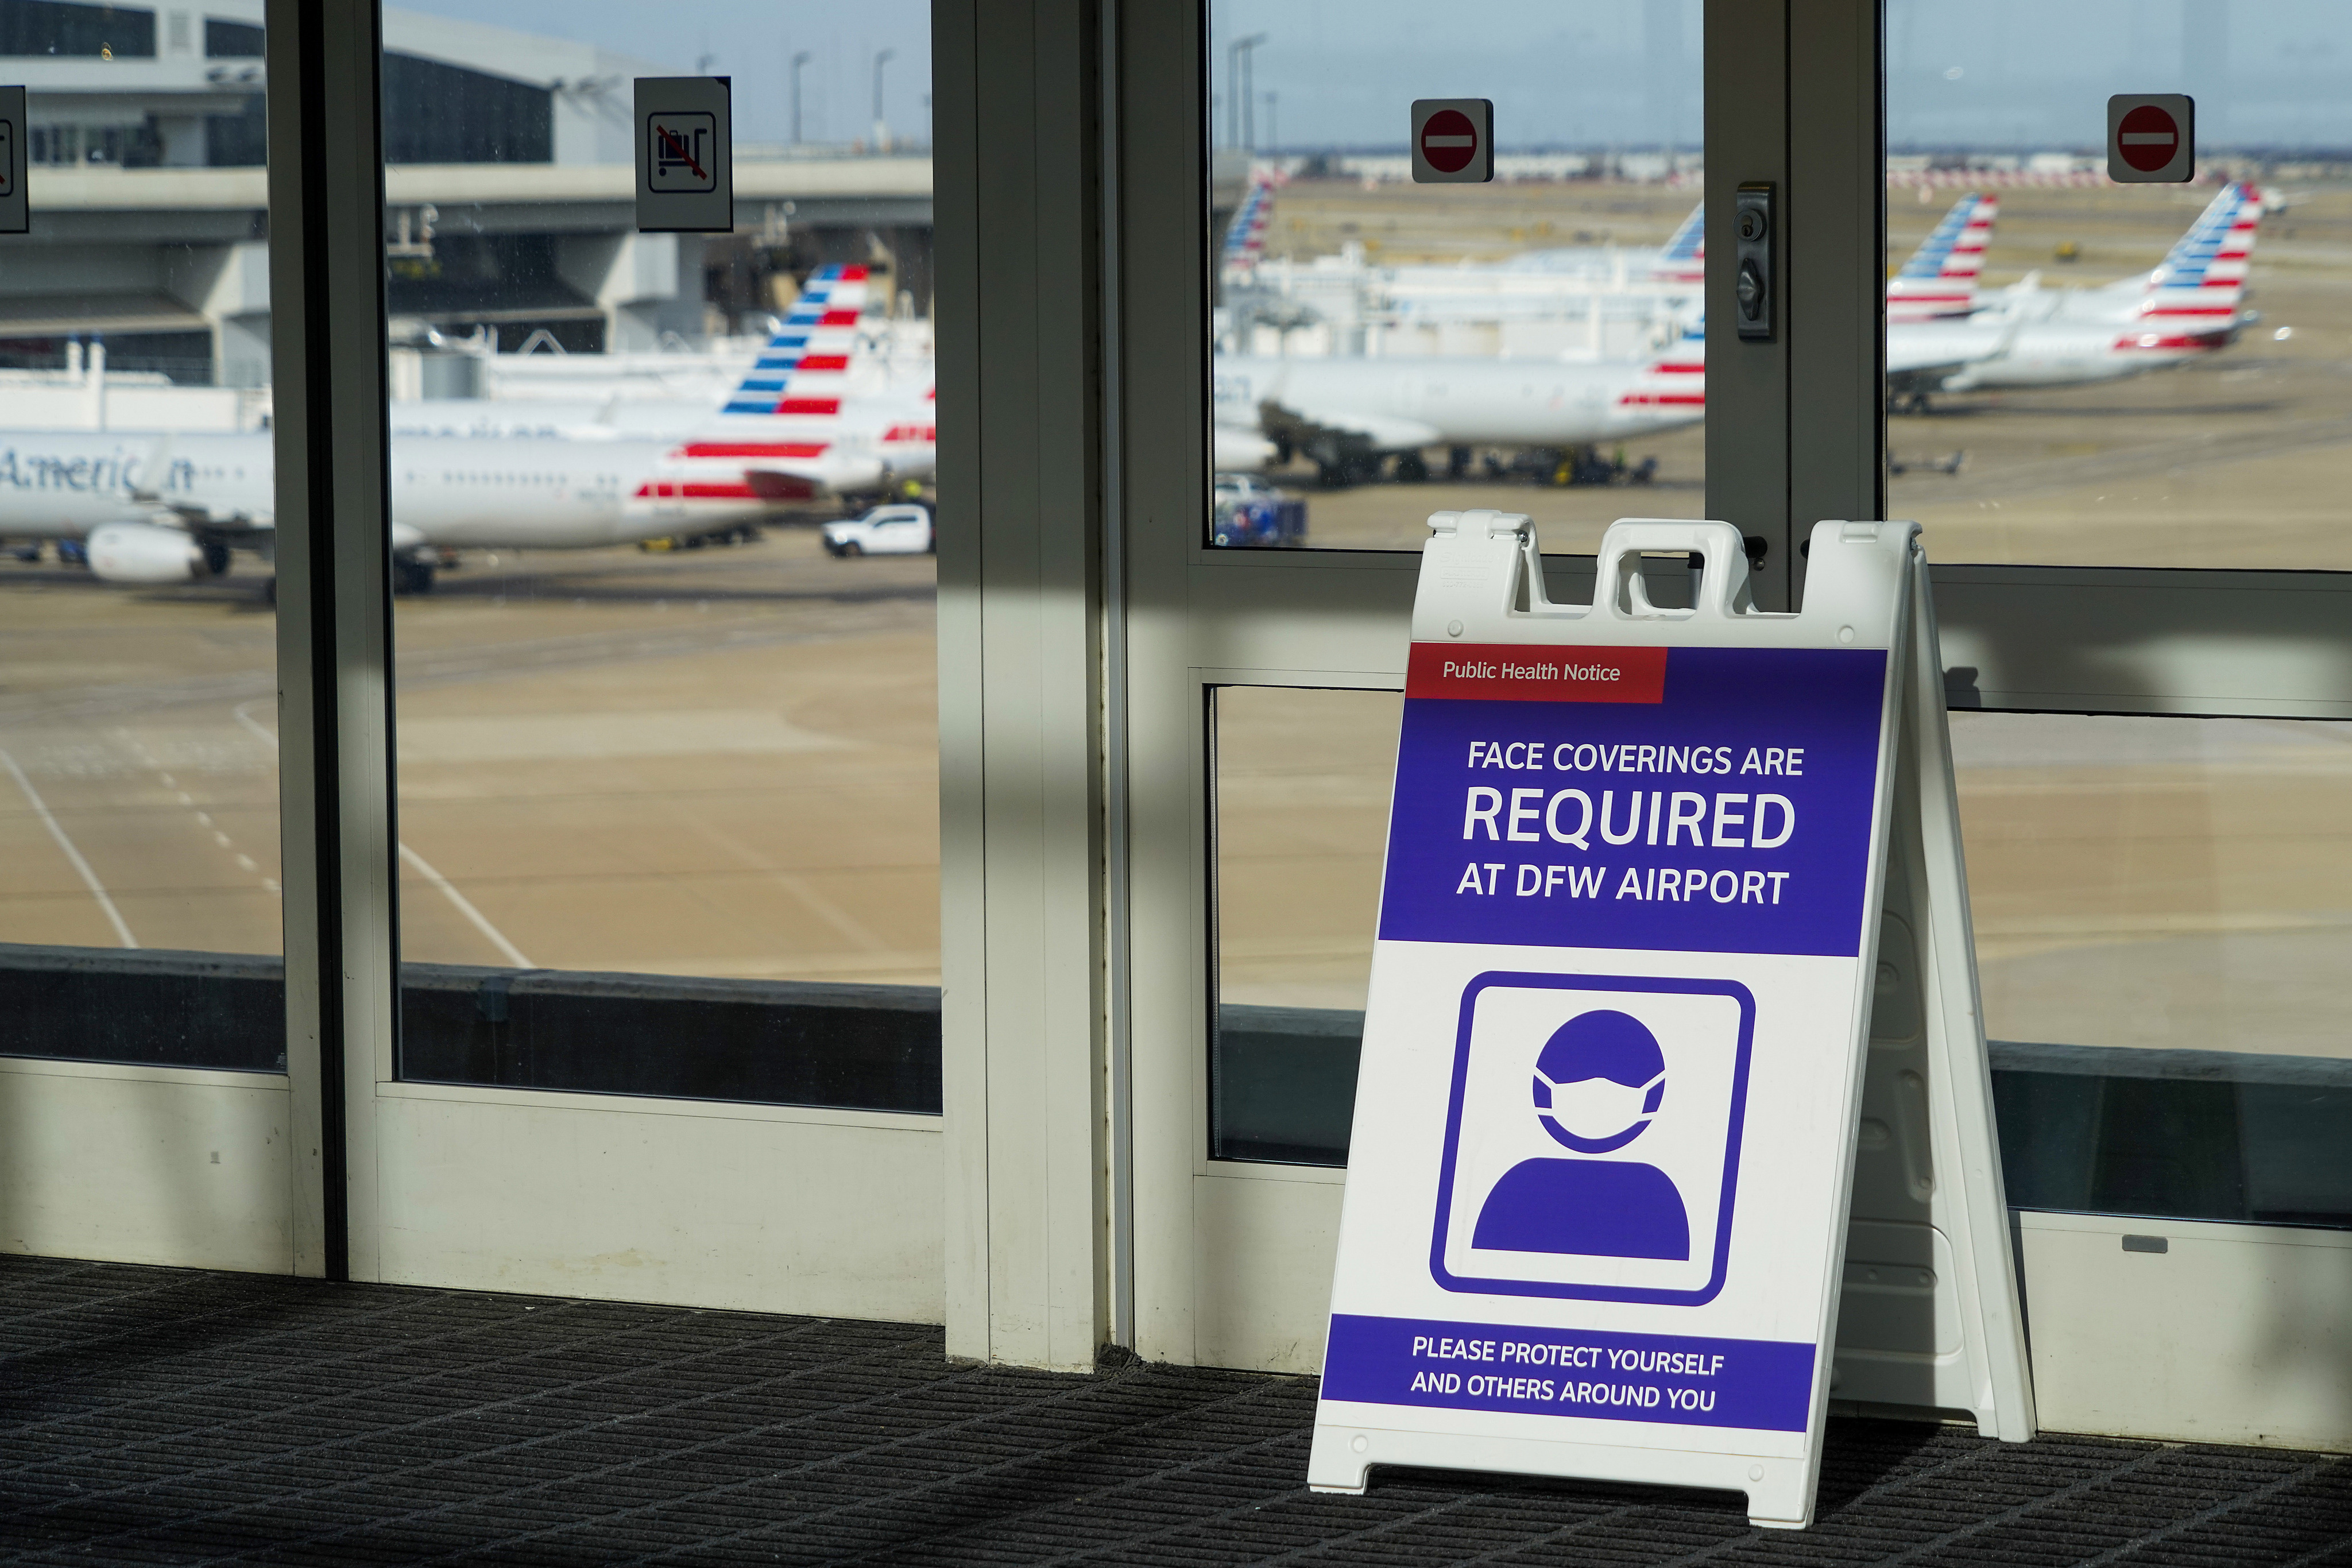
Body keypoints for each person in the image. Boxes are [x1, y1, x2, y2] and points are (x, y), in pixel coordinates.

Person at [1472, 1008, 1690, 1260]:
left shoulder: (1655, 1194)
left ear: (1652, 1093)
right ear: (1543, 1086)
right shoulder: (1521, 1183)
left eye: (1619, 1083)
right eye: (1578, 1079)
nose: (1597, 1095)